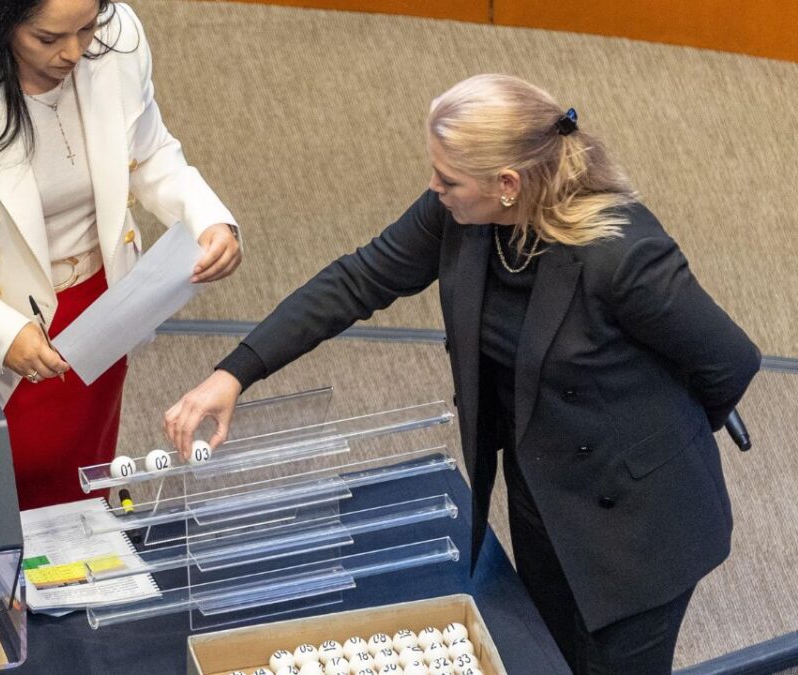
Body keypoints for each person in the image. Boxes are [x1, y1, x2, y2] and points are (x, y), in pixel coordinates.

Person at [163, 74, 759, 673]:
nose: (433, 187)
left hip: (639, 529)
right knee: (548, 658)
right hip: (544, 497)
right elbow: (357, 280)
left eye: (447, 179)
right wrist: (234, 373)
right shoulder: (459, 216)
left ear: (507, 184)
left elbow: (730, 362)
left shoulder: (624, 253)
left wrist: (650, 447)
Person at [0, 0, 241, 511]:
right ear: (4, 19)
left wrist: (207, 216)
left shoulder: (118, 35)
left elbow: (149, 153)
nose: (73, 52)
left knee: (76, 484)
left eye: (86, 28)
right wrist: (4, 332)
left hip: (95, 309)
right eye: (47, 39)